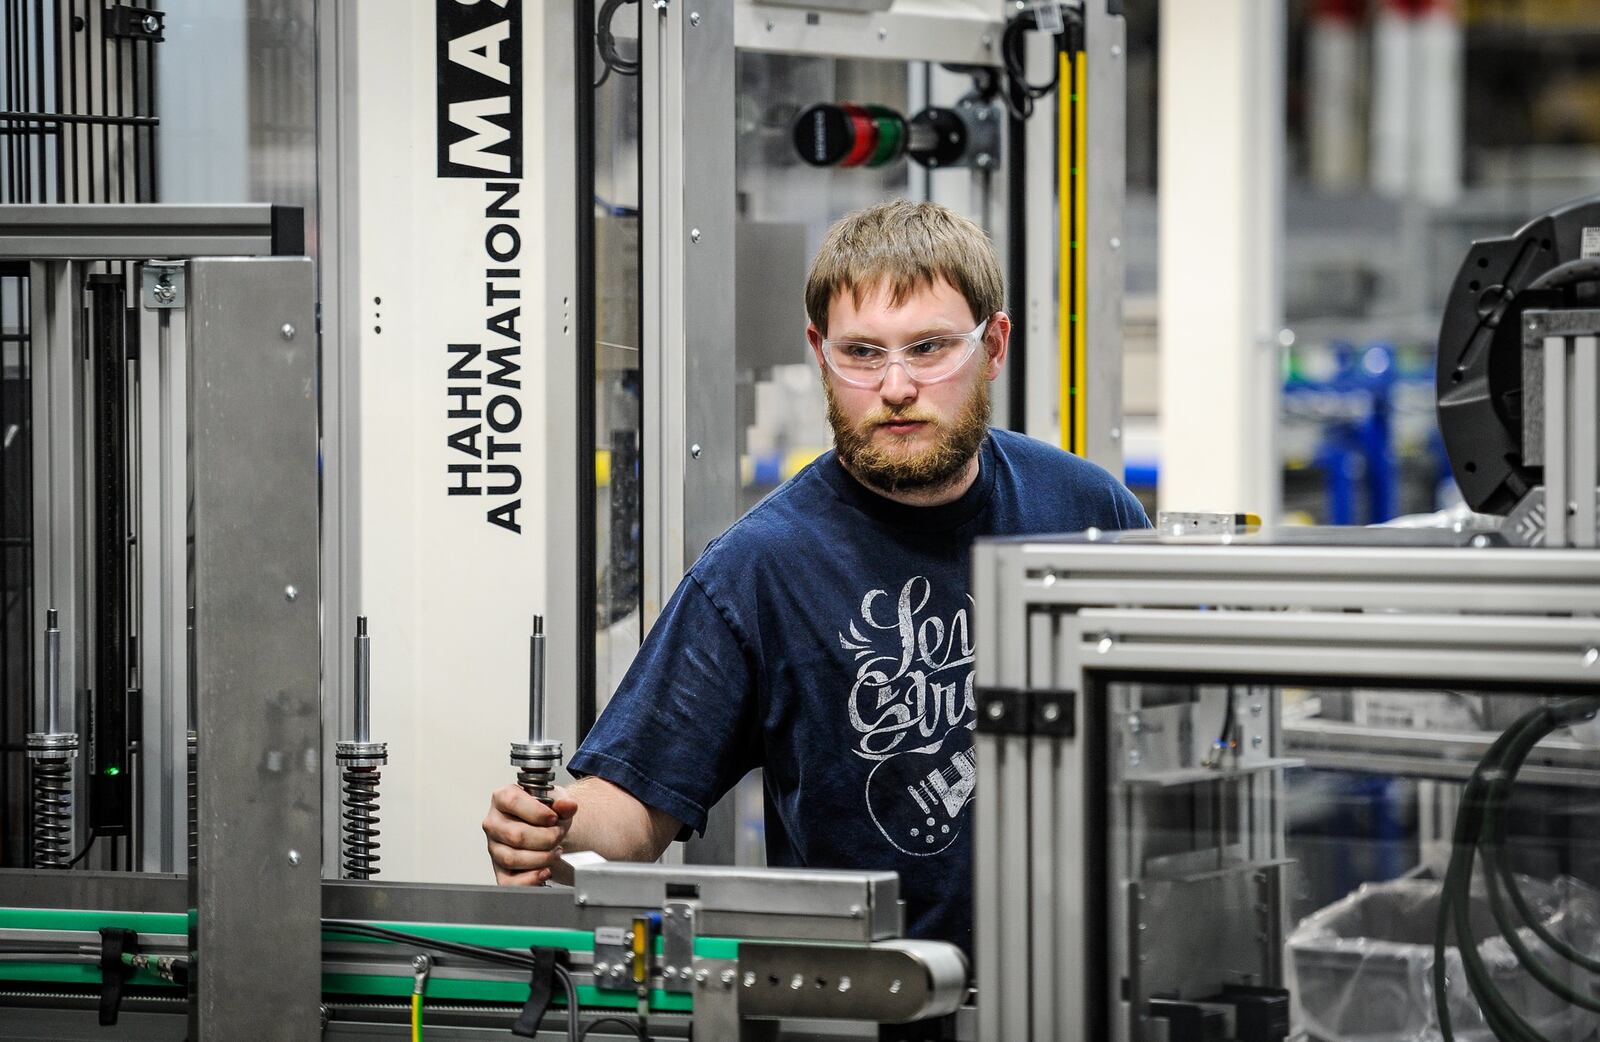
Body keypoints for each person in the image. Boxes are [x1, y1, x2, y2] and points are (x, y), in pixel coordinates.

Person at [482, 199, 1148, 958]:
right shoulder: (761, 567)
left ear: (993, 346)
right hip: (863, 1003)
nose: (896, 385)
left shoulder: (1090, 510)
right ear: (819, 353)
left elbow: (1168, 745)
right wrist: (556, 831)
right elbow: (631, 811)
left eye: (929, 348)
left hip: (1078, 990)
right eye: (862, 353)